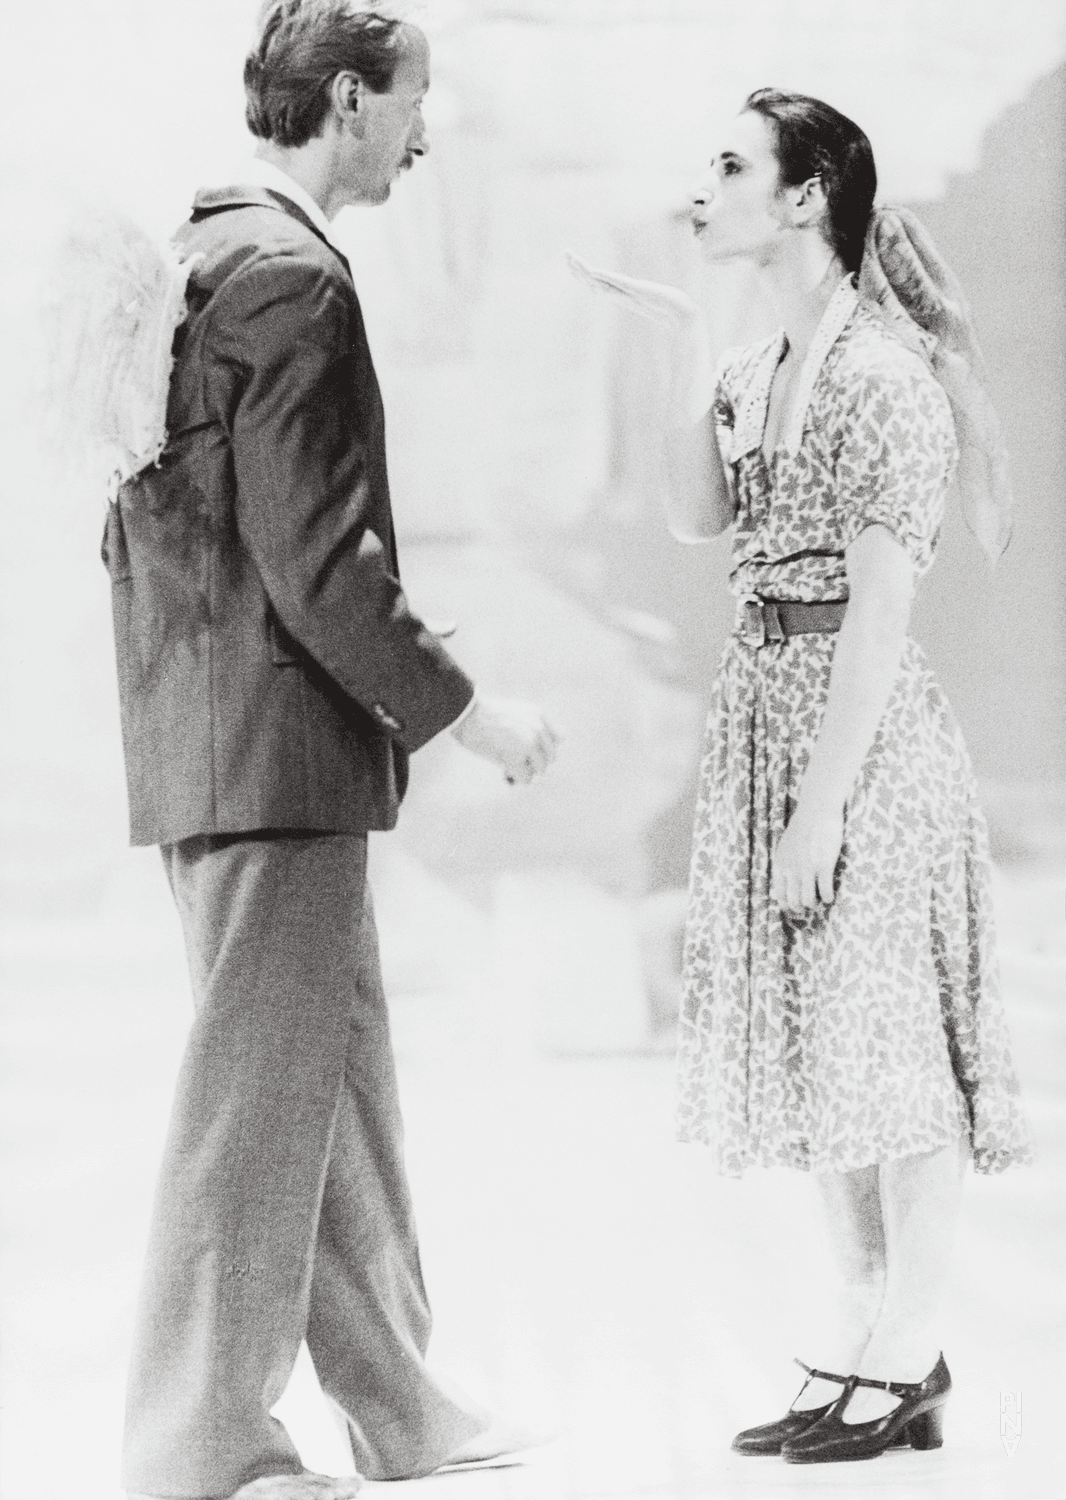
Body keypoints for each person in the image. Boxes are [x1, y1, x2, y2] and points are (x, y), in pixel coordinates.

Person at [102, 5, 559, 1497]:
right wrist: (473, 712)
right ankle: (202, 1448)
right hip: (270, 757)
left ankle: (401, 1408)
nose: (426, 137)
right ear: (350, 103)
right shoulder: (289, 277)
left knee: (331, 1088)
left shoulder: (203, 255)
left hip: (224, 746)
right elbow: (322, 564)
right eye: (415, 106)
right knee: (257, 1102)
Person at [569, 88, 1031, 1464]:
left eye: (728, 167)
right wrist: (672, 342)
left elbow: (883, 614)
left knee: (893, 1046)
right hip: (766, 715)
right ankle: (860, 1328)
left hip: (860, 730)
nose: (699, 188)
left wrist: (822, 803)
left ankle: (911, 1337)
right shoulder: (753, 365)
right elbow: (692, 514)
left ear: (804, 197)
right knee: (824, 1043)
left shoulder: (882, 378)